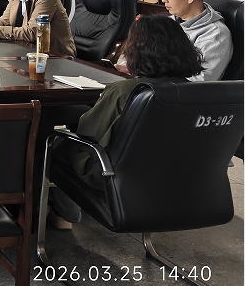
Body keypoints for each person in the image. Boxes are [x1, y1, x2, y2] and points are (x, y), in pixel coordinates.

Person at [49, 16, 204, 228]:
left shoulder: (124, 91)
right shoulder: (197, 92)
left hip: (111, 174)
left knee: (52, 143)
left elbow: (88, 133)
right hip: (171, 177)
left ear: (136, 50)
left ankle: (64, 215)